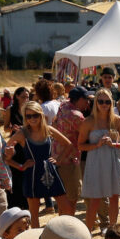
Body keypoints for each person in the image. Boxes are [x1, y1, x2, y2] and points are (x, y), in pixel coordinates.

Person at [6, 100, 71, 227]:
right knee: (34, 215)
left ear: (41, 115)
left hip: (50, 171)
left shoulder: (48, 129)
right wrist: (20, 166)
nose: (32, 118)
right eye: (28, 116)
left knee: (67, 208)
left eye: (35, 115)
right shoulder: (22, 133)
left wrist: (58, 159)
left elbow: (68, 145)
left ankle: (59, 232)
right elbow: (4, 155)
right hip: (32, 174)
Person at [78, 88, 120, 233]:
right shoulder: (88, 121)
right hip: (96, 163)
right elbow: (80, 145)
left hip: (113, 162)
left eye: (107, 101)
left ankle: (113, 232)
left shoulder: (117, 121)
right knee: (94, 200)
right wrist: (97, 144)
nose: (104, 104)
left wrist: (114, 144)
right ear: (95, 103)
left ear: (111, 103)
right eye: (100, 101)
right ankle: (87, 235)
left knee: (114, 198)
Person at [52, 87, 90, 217]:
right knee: (71, 199)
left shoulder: (63, 106)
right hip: (69, 159)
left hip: (58, 156)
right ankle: (67, 228)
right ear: (79, 99)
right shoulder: (76, 115)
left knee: (64, 199)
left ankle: (62, 225)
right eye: (86, 99)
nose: (88, 103)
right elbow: (88, 134)